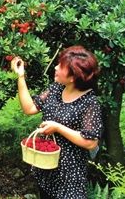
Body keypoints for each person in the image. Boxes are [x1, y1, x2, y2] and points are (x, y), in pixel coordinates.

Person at [11, 45, 103, 199]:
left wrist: (58, 128)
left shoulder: (89, 102)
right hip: (46, 167)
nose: (55, 67)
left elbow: (91, 142)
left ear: (74, 76)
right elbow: (30, 108)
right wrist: (21, 76)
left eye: (61, 66)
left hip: (69, 177)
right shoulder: (56, 89)